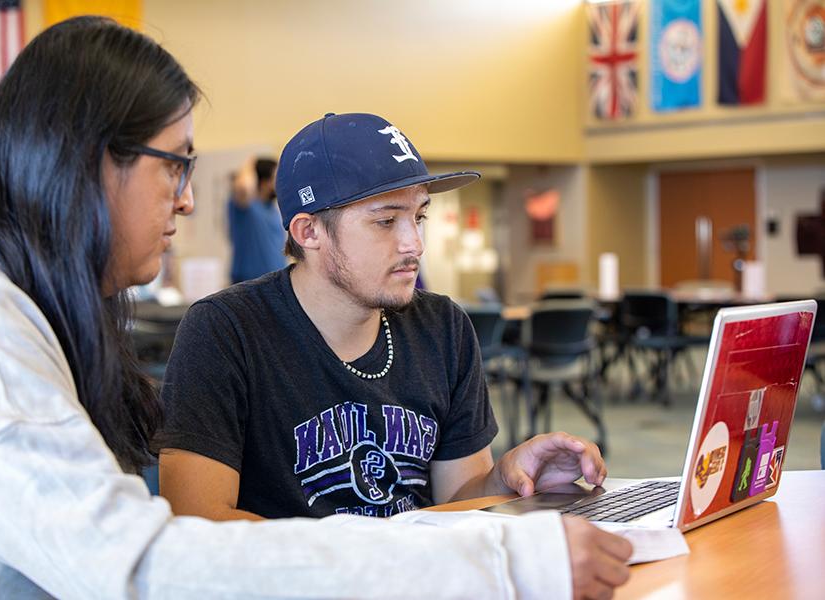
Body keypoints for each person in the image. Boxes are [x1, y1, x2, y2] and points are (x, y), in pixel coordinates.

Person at [0, 19, 629, 599]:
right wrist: (500, 566)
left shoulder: (8, 297)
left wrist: (505, 489)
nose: (188, 199)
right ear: (88, 159)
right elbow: (140, 567)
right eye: (174, 164)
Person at [159, 113, 632, 591]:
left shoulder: (443, 327)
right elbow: (199, 528)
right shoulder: (224, 332)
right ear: (308, 233)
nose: (415, 244)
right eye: (386, 221)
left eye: (419, 216)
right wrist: (393, 561)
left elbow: (457, 501)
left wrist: (507, 481)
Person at [227, 155, 286, 283]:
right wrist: (252, 162)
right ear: (264, 181)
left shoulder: (273, 209)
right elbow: (243, 186)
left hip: (275, 283)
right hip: (247, 285)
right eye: (275, 177)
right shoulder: (245, 206)